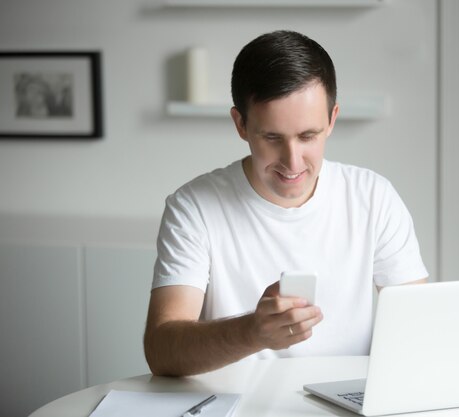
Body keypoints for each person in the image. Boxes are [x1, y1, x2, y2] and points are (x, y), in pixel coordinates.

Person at [144, 30, 428, 377]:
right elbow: (160, 350)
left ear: (332, 120)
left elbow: (418, 327)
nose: (293, 162)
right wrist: (251, 332)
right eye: (272, 138)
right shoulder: (194, 208)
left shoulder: (374, 198)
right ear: (241, 125)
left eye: (309, 136)